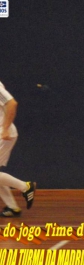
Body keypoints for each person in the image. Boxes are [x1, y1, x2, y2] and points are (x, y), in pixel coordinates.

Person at [0, 81, 36, 217]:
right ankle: (12, 207)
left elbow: (12, 103)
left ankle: (25, 186)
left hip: (4, 134)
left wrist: (4, 129)